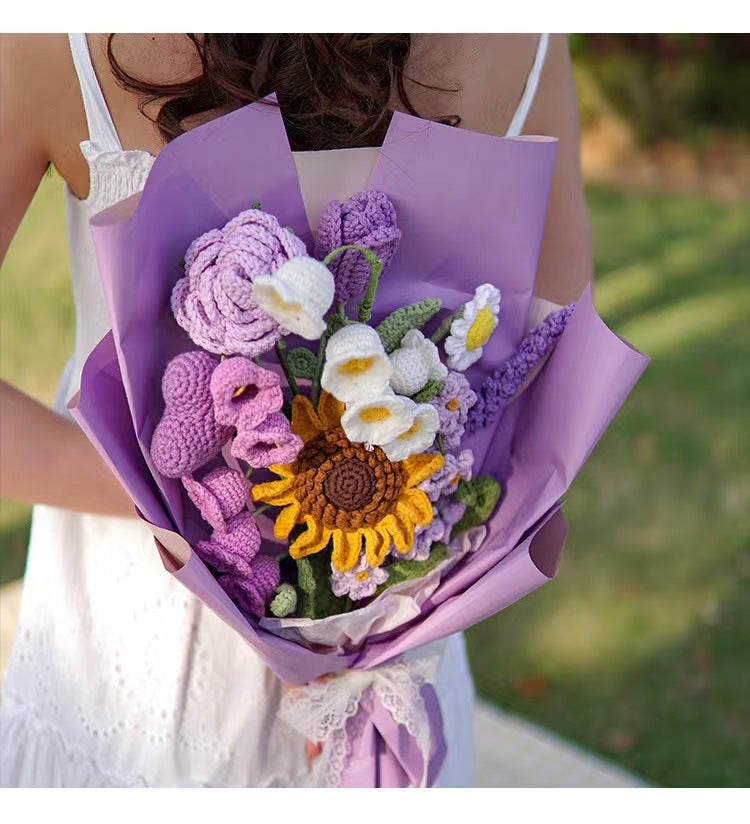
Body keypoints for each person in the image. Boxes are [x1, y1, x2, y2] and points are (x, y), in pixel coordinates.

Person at [0, 33, 592, 787]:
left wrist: (202, 493)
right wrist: (382, 547)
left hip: (178, 617)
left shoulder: (61, 39)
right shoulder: (517, 38)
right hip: (390, 600)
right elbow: (555, 350)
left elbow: (553, 348)